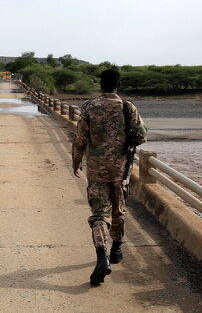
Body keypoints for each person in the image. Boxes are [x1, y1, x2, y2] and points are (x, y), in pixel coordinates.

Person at [72, 68, 147, 285]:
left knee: (98, 215)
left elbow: (80, 138)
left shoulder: (89, 106)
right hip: (121, 171)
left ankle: (101, 256)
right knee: (118, 210)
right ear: (118, 85)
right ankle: (116, 250)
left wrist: (76, 161)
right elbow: (142, 136)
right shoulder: (127, 107)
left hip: (96, 171)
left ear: (100, 84)